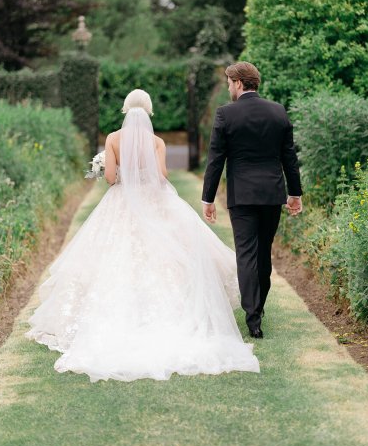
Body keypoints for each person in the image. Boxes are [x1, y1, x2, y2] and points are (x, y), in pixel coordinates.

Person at [25, 89, 260, 382]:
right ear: (148, 112)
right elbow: (161, 177)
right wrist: (145, 176)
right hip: (152, 200)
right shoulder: (157, 142)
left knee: (114, 253)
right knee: (164, 253)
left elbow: (111, 178)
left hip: (120, 202)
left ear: (125, 110)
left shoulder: (112, 139)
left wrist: (117, 172)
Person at [202, 62, 302, 339]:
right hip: (272, 193)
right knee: (263, 253)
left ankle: (253, 316)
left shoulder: (226, 114)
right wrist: (295, 194)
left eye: (229, 83)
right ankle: (258, 308)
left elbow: (216, 160)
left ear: (238, 82)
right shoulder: (277, 111)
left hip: (242, 195)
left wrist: (207, 198)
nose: (228, 88)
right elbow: (289, 158)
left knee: (246, 253)